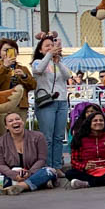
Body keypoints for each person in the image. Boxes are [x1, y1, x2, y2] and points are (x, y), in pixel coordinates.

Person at [31, 32, 71, 170]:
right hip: (46, 102)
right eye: (46, 46)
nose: (50, 47)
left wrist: (58, 61)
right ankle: (47, 167)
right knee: (47, 137)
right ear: (40, 50)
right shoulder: (37, 62)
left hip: (61, 102)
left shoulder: (58, 62)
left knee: (59, 137)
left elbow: (67, 76)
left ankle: (57, 166)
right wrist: (49, 55)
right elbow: (39, 70)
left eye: (52, 45)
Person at [0, 111, 59, 193]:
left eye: (17, 119)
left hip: (35, 172)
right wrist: (14, 175)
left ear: (22, 122)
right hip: (12, 174)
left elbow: (42, 159)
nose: (15, 122)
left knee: (49, 171)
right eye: (10, 121)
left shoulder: (38, 136)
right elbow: (0, 164)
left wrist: (29, 173)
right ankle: (36, 183)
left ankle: (20, 186)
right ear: (6, 126)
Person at [0, 38, 37, 137]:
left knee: (19, 135)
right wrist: (4, 67)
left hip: (20, 106)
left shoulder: (23, 68)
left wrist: (24, 76)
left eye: (12, 50)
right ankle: (2, 153)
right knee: (1, 135)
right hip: (1, 106)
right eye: (5, 50)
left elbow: (33, 85)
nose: (9, 52)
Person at [66, 110, 105, 188]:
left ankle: (87, 183)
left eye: (101, 120)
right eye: (95, 120)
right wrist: (84, 166)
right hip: (87, 171)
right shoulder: (79, 138)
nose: (98, 122)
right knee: (69, 173)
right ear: (89, 123)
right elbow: (74, 161)